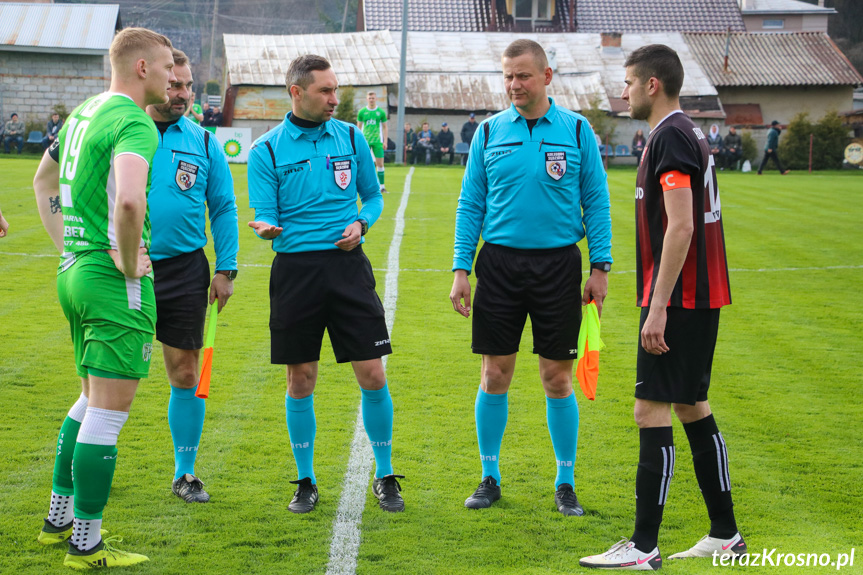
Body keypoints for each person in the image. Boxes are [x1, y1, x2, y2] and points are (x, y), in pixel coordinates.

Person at [580, 44, 745, 570]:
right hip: (700, 296)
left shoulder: (670, 135)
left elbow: (682, 225)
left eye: (628, 81)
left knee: (648, 408)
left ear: (653, 84)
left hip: (683, 299)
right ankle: (725, 534)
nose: (622, 91)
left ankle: (642, 546)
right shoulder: (688, 130)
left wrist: (658, 306)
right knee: (692, 404)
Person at [31, 27, 175, 569]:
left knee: (90, 399)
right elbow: (131, 203)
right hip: (111, 281)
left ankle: (59, 519)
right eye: (165, 67)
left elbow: (44, 181)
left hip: (73, 272)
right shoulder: (133, 121)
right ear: (141, 68)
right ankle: (85, 544)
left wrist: (69, 245)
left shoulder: (83, 113)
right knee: (109, 414)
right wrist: (123, 254)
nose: (171, 77)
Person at [449, 39, 611, 517]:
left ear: (546, 77)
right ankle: (489, 476)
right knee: (494, 373)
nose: (514, 85)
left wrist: (599, 267)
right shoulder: (489, 132)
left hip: (559, 267)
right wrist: (462, 268)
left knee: (556, 378)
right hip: (498, 266)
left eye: (522, 75)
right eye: (507, 76)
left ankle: (565, 482)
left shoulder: (578, 132)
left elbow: (596, 202)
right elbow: (470, 204)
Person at [247, 54, 404, 514]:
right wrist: (266, 228)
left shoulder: (352, 137)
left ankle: (386, 473)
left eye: (336, 90)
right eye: (325, 91)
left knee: (372, 373)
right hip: (296, 273)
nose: (335, 99)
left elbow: (372, 196)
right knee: (302, 378)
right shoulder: (267, 151)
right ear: (296, 93)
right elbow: (264, 210)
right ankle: (305, 480)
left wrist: (362, 222)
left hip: (348, 269)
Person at [146, 48, 239, 504]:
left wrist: (225, 268)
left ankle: (185, 472)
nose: (183, 94)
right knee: (102, 373)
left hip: (185, 269)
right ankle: (88, 457)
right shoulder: (123, 130)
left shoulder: (203, 142)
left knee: (185, 372)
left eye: (188, 86)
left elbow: (222, 206)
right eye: (174, 85)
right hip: (122, 266)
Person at [357, 90, 388, 192]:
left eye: (373, 98)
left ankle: (382, 186)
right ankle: (366, 185)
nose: (371, 100)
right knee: (365, 164)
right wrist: (357, 142)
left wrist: (385, 141)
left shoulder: (381, 112)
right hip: (365, 142)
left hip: (377, 142)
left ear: (376, 99)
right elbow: (358, 128)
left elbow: (385, 127)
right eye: (369, 98)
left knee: (380, 164)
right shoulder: (362, 112)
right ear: (367, 99)